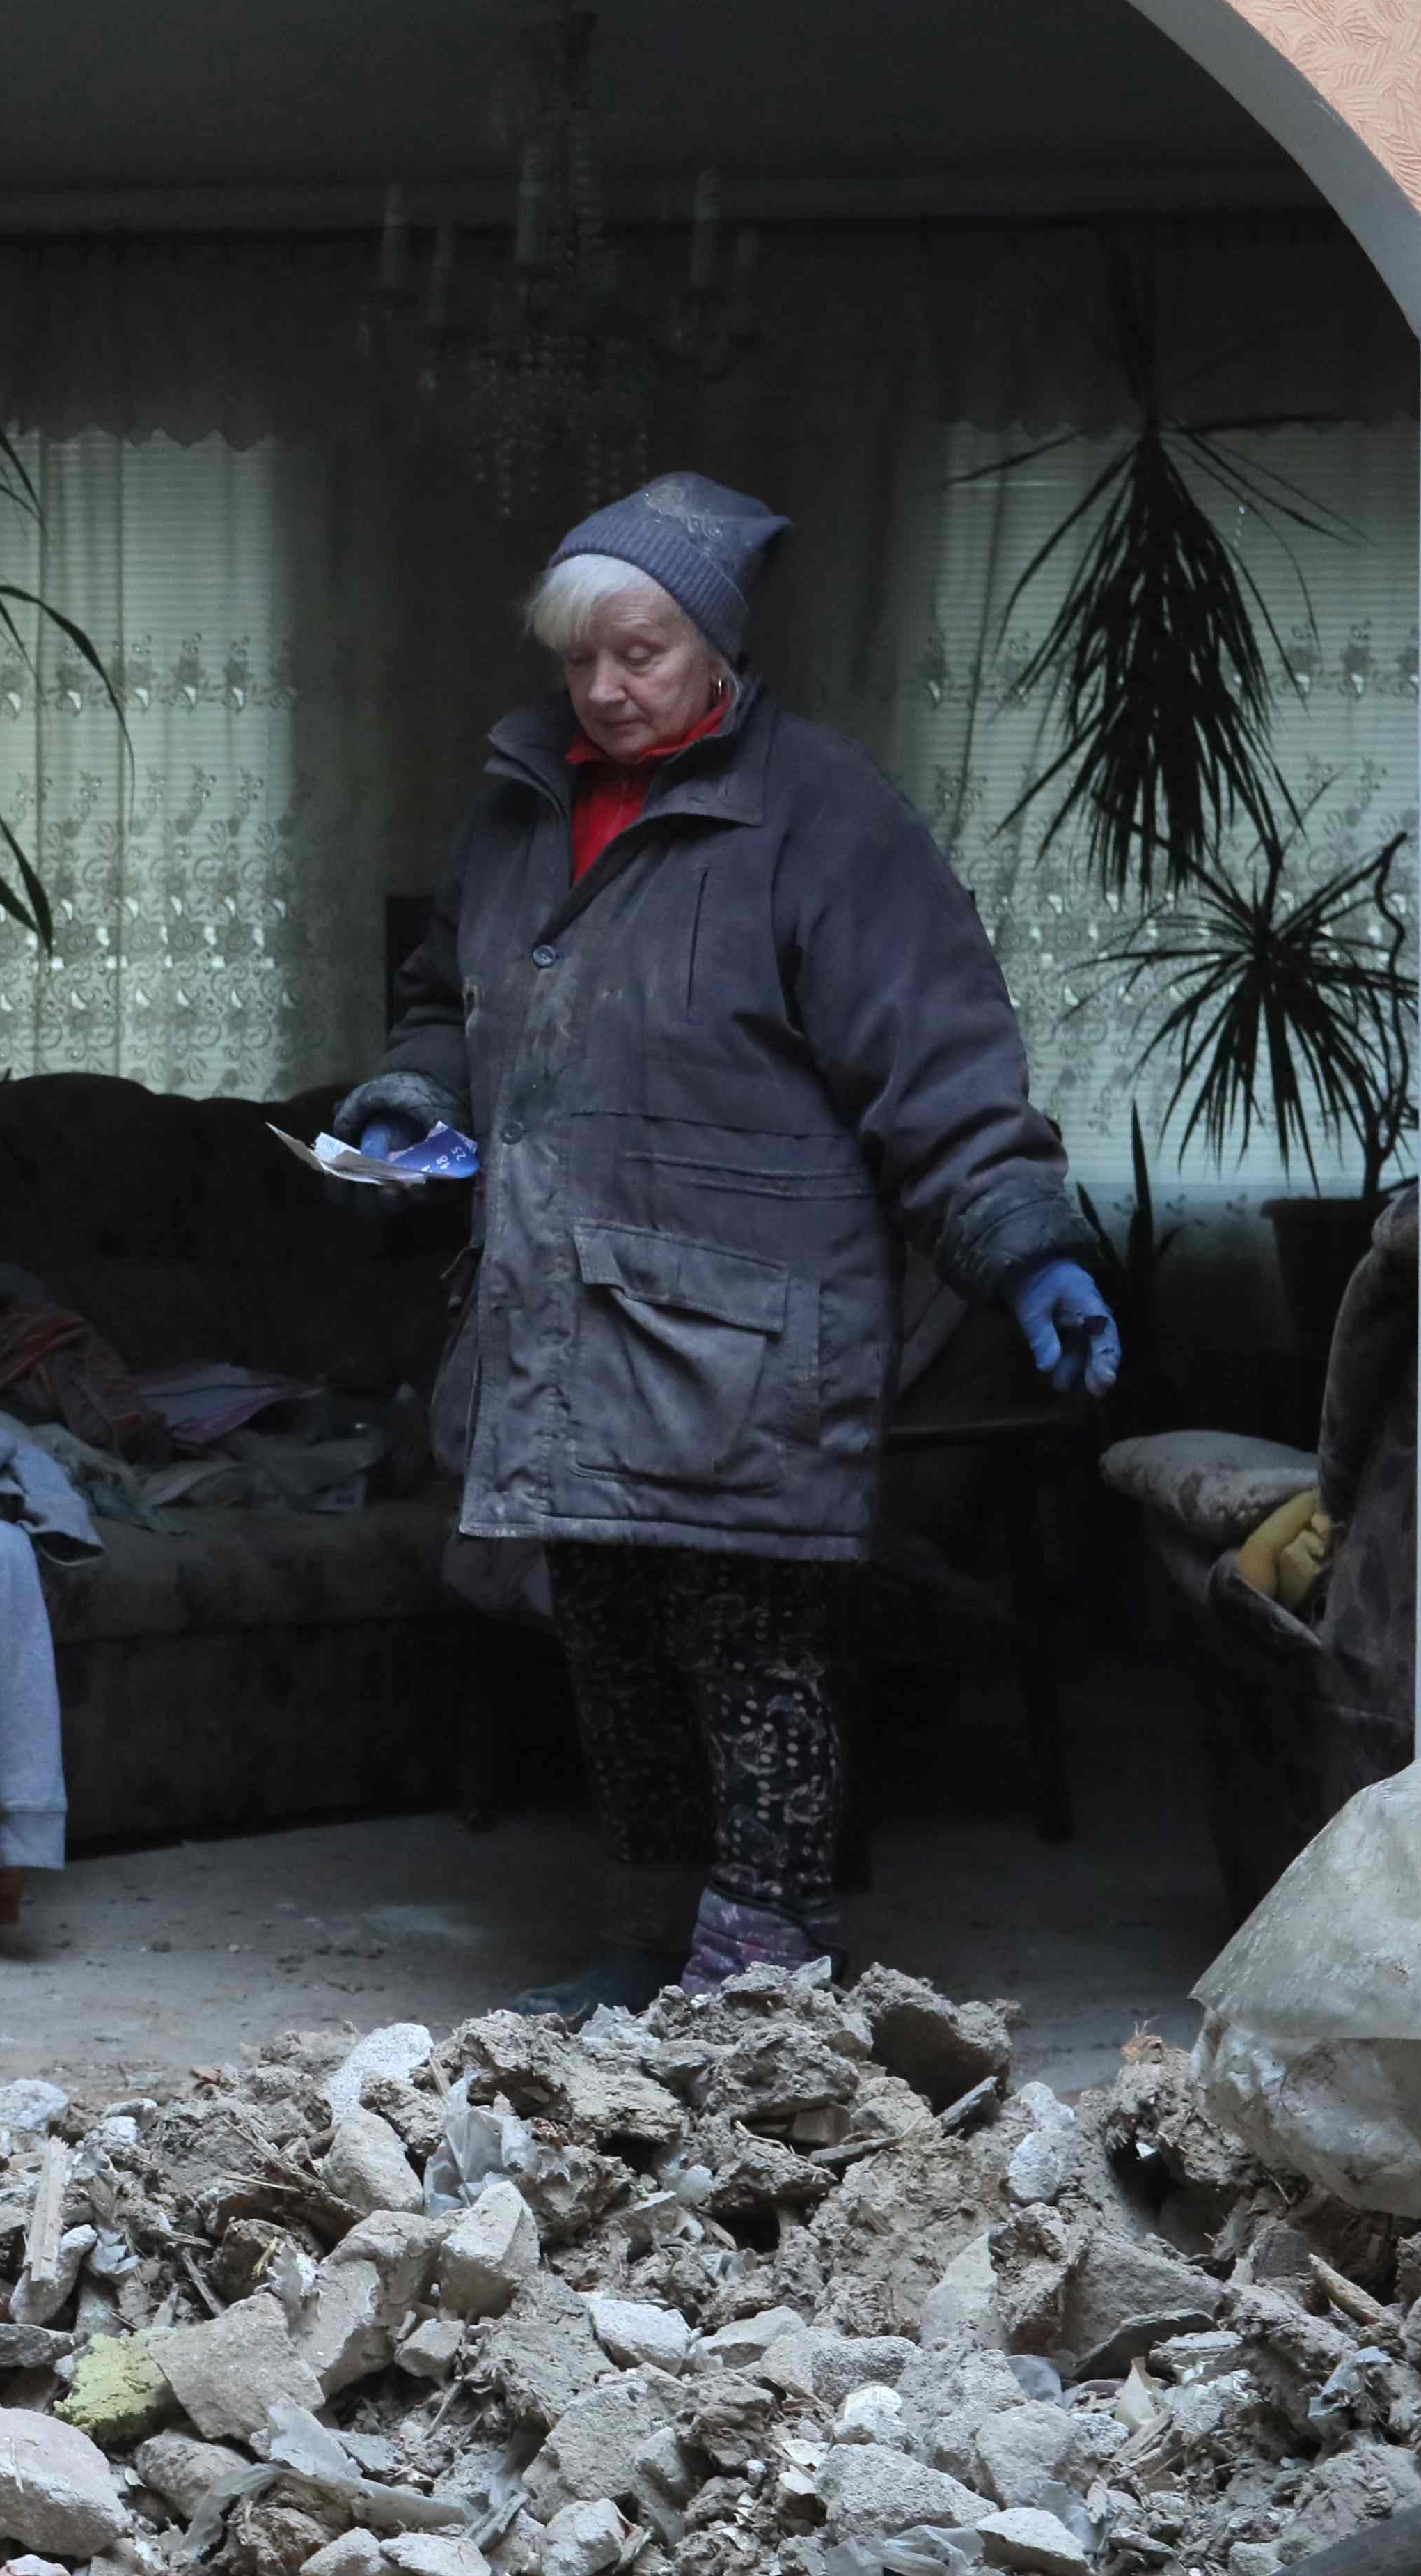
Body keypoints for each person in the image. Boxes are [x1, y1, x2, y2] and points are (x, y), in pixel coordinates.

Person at [332, 471, 1115, 2002]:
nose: (609, 690)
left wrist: (1027, 1239)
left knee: (754, 1646)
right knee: (609, 1634)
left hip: (746, 1324)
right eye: (583, 660)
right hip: (563, 1306)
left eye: (643, 654)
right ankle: (646, 1942)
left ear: (717, 647)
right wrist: (405, 1102)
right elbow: (445, 998)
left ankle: (764, 1967)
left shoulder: (822, 814)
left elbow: (937, 1057)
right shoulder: (518, 808)